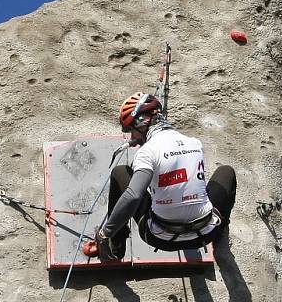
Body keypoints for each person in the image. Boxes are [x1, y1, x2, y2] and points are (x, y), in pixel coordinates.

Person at [96, 92, 237, 261]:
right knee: (226, 171)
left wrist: (104, 233)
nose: (132, 138)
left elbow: (133, 196)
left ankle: (116, 245)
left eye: (131, 131)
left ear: (142, 124)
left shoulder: (147, 152)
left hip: (161, 239)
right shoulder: (194, 143)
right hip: (205, 235)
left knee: (120, 172)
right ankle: (220, 232)